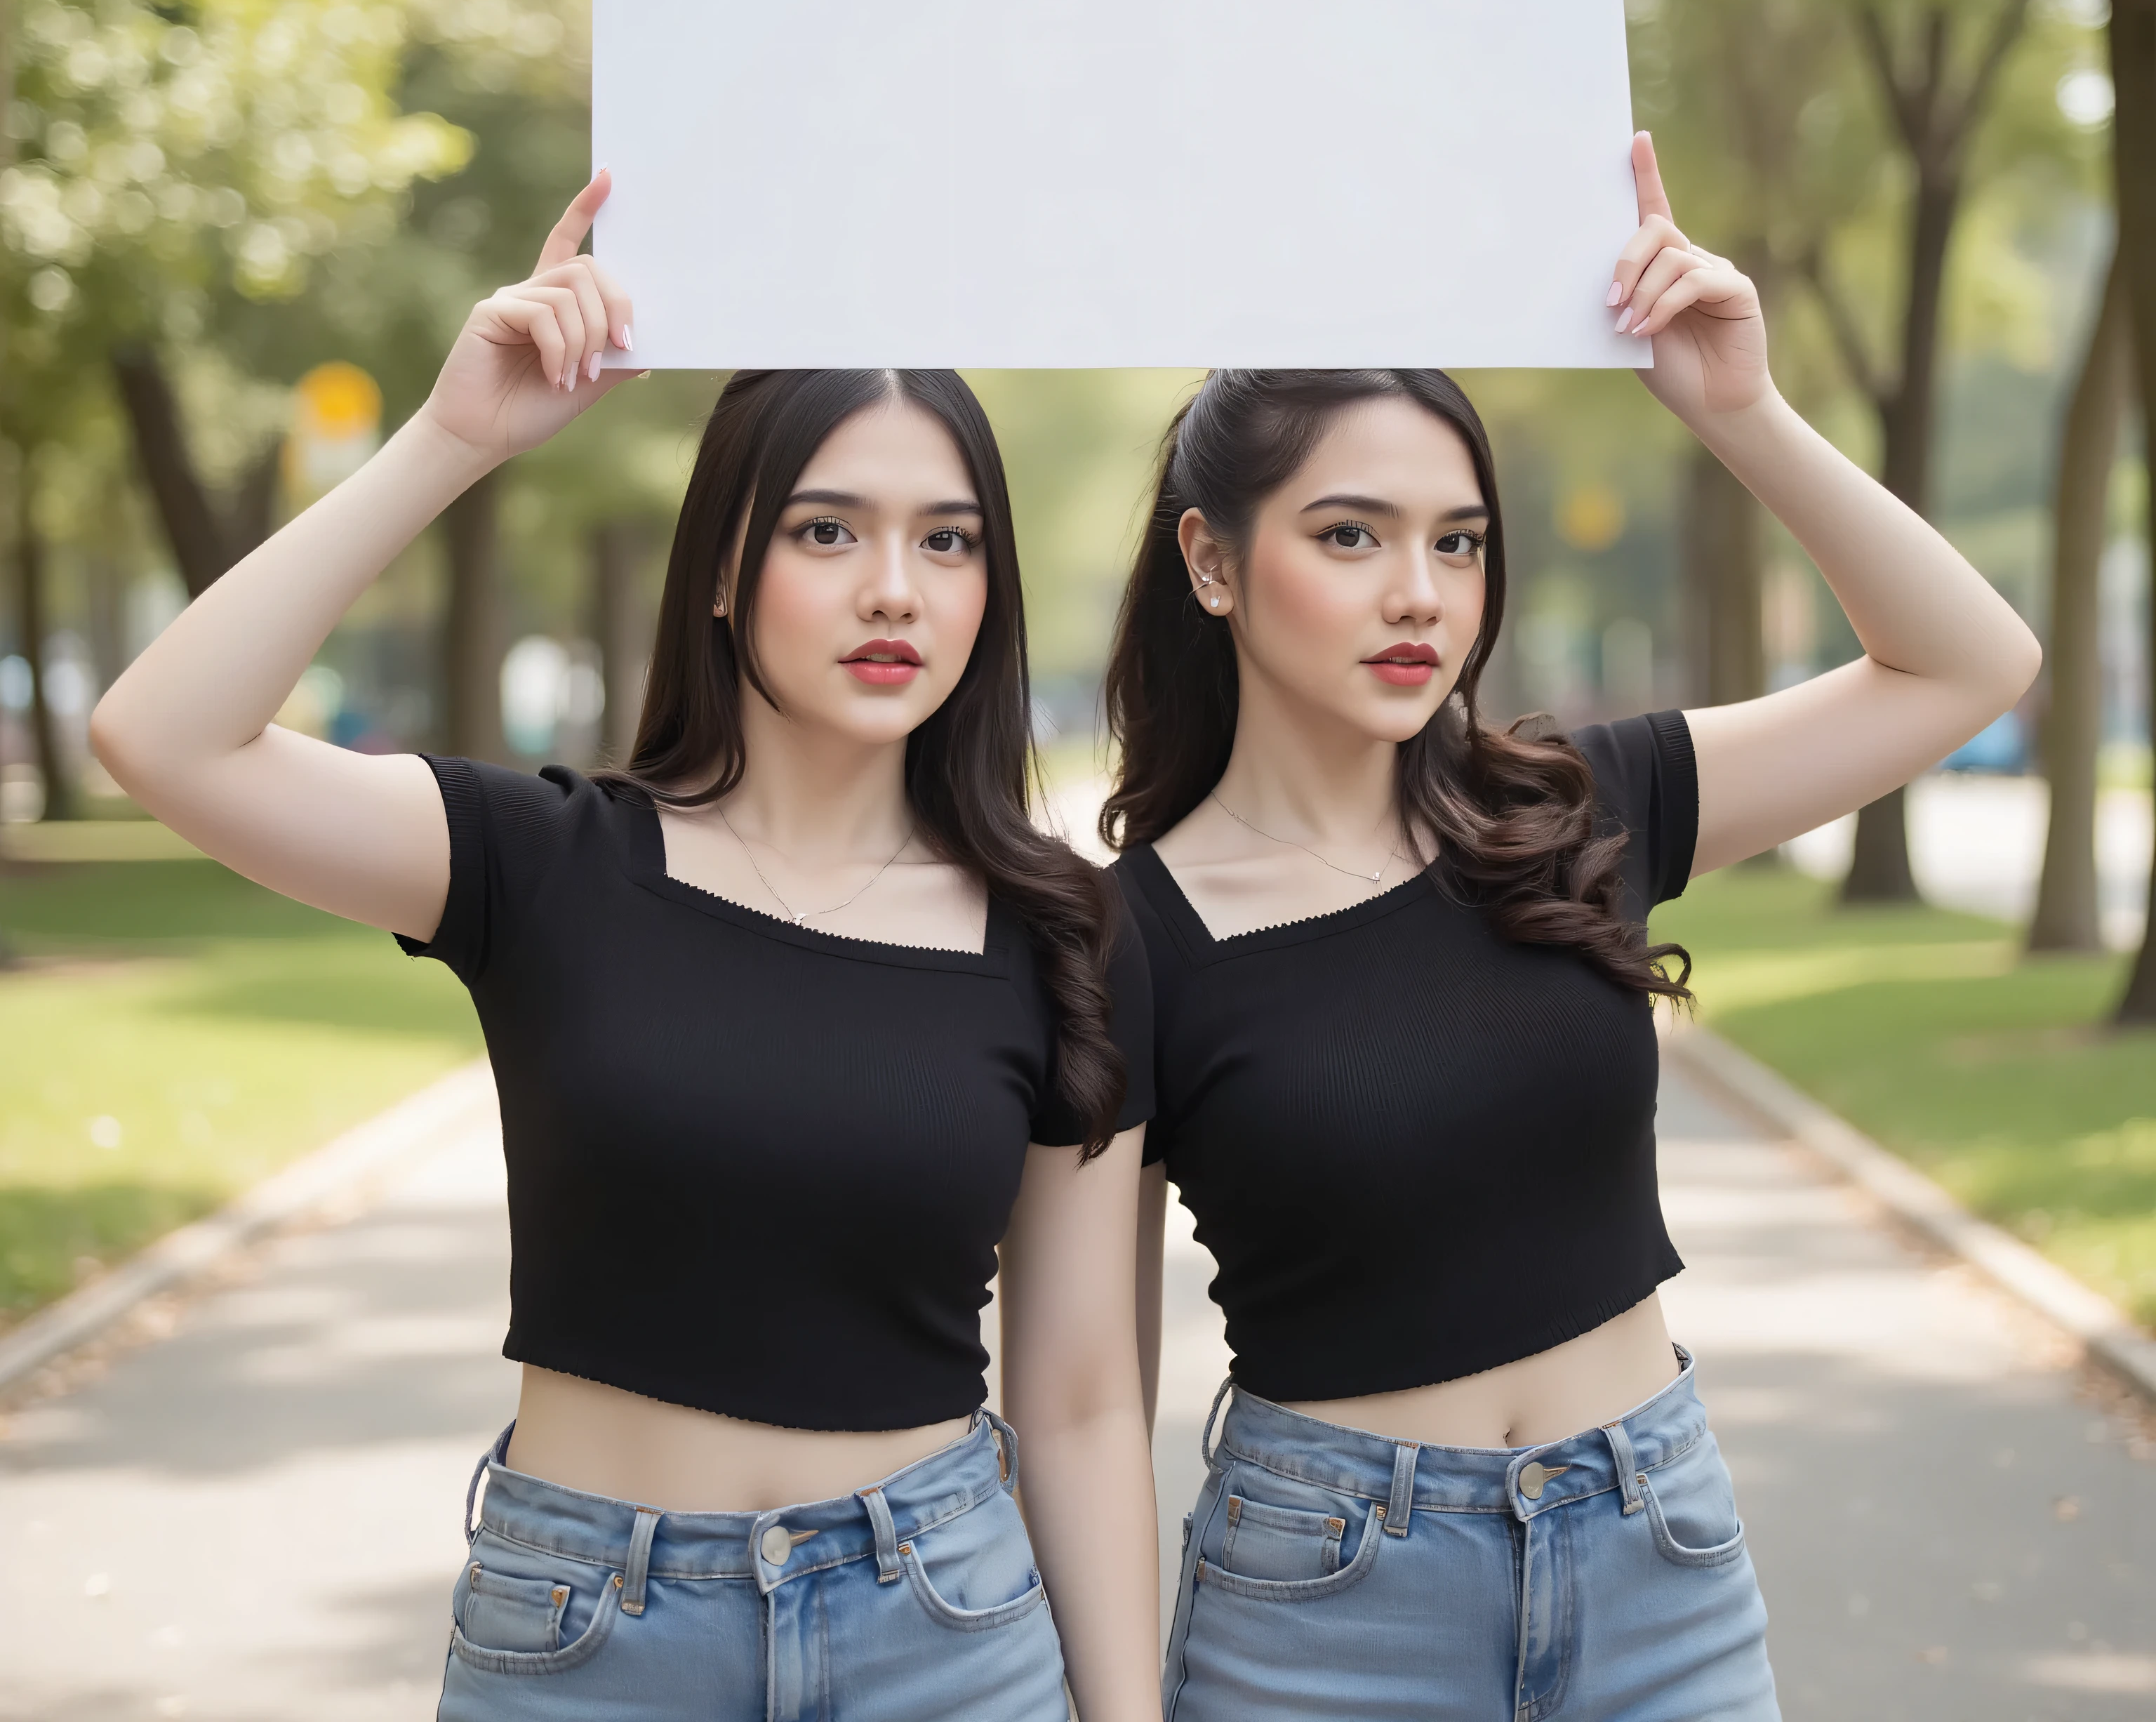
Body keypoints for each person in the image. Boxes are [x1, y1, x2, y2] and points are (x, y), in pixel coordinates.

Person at [90, 175, 1161, 1722]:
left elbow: (1074, 1399)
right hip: (592, 1638)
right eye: (826, 530)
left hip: (942, 1629)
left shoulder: (1066, 932)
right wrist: (456, 439)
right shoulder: (551, 862)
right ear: (722, 572)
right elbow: (162, 735)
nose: (892, 590)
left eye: (948, 541)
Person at [1101, 133, 2041, 1722]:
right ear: (1211, 559)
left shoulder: (1574, 804)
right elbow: (1086, 1397)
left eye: (1456, 541)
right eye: (1351, 536)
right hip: (1326, 1607)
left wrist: (1738, 411)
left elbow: (1968, 665)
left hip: (1655, 1558)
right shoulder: (1123, 936)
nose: (1421, 594)